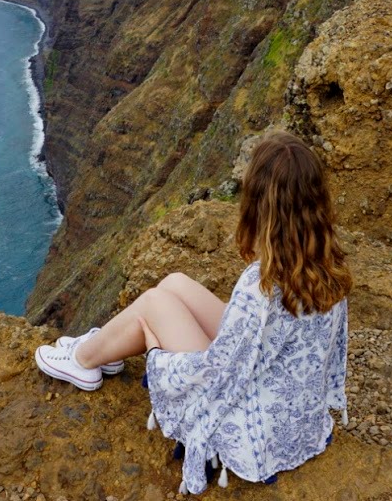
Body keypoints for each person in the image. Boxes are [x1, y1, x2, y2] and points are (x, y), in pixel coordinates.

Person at [34, 130, 352, 493]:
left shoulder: (260, 284)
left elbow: (218, 373)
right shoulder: (326, 260)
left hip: (257, 424)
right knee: (175, 283)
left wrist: (157, 355)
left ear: (259, 206)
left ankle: (84, 360)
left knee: (155, 303)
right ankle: (108, 348)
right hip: (295, 409)